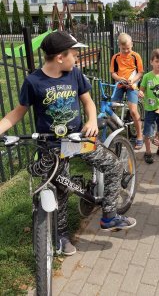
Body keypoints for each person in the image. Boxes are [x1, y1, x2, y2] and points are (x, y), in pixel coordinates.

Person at [0, 30, 136, 255]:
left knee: (113, 165)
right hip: (51, 146)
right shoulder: (33, 81)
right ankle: (62, 236)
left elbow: (88, 102)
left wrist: (92, 120)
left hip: (77, 139)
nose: (77, 58)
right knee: (59, 189)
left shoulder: (75, 75)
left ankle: (110, 215)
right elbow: (16, 113)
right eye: (74, 54)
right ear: (60, 57)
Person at [110, 33, 144, 150]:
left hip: (132, 84)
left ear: (132, 45)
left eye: (128, 48)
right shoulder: (115, 57)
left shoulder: (136, 56)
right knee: (111, 109)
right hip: (120, 84)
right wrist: (119, 78)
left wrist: (132, 80)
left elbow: (140, 72)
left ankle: (139, 135)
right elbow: (113, 73)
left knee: (133, 111)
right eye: (123, 49)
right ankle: (114, 134)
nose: (126, 51)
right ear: (119, 46)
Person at [138, 49, 159, 164]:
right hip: (150, 109)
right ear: (151, 62)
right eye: (157, 61)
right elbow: (141, 90)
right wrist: (141, 93)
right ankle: (148, 152)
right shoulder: (147, 77)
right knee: (148, 132)